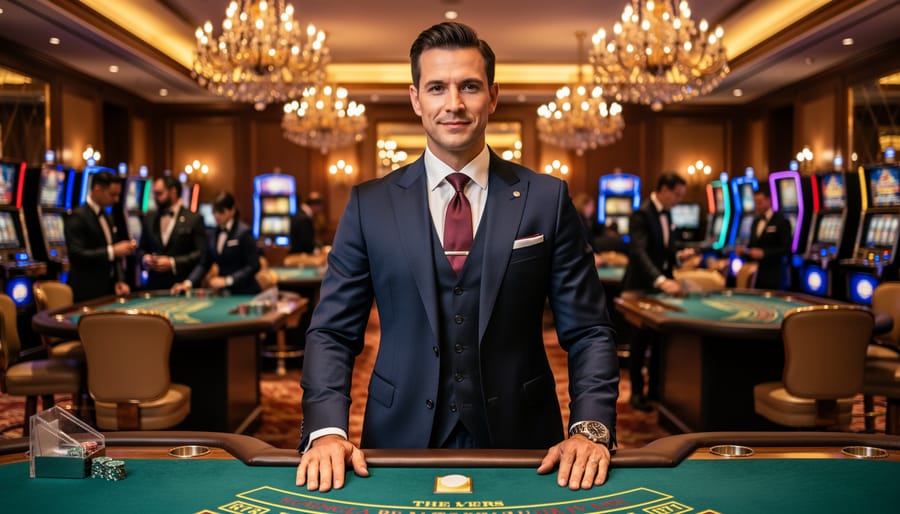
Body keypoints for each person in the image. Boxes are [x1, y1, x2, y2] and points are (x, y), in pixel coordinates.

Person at [296, 22, 619, 493]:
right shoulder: (369, 203)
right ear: (415, 98)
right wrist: (326, 430)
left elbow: (589, 331)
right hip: (396, 437)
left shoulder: (546, 199)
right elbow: (332, 332)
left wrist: (591, 429)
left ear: (492, 96)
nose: (454, 103)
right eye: (437, 87)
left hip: (525, 439)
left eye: (469, 85)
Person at [621, 172, 694, 412]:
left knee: (660, 342)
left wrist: (678, 257)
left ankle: (656, 391)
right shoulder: (641, 213)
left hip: (660, 288)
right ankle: (636, 394)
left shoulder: (668, 213)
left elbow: (664, 250)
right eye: (677, 194)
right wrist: (660, 280)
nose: (679, 199)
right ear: (663, 188)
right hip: (640, 286)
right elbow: (639, 252)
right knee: (639, 343)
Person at [64, 171, 136, 302]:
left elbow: (116, 258)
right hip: (86, 293)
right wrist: (112, 250)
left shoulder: (107, 215)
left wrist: (119, 280)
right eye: (112, 194)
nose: (116, 200)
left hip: (108, 290)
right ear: (97, 190)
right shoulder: (78, 216)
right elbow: (76, 255)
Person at [171, 191, 261, 296]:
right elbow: (204, 264)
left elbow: (254, 265)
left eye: (221, 211)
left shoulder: (244, 232)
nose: (217, 216)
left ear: (232, 210)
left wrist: (228, 280)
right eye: (214, 212)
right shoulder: (212, 233)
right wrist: (188, 283)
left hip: (245, 292)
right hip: (224, 294)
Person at [139, 175, 207, 290]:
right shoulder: (149, 218)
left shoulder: (194, 219)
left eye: (159, 193)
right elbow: (141, 248)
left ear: (173, 192)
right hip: (154, 286)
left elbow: (201, 253)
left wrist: (173, 263)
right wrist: (144, 258)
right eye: (154, 193)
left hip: (181, 285)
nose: (155, 197)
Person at [735, 184, 792, 290]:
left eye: (760, 202)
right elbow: (752, 247)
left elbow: (786, 249)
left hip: (776, 275)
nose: (758, 205)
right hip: (757, 275)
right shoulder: (755, 222)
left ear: (769, 200)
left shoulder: (781, 221)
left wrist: (764, 253)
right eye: (756, 203)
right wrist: (744, 252)